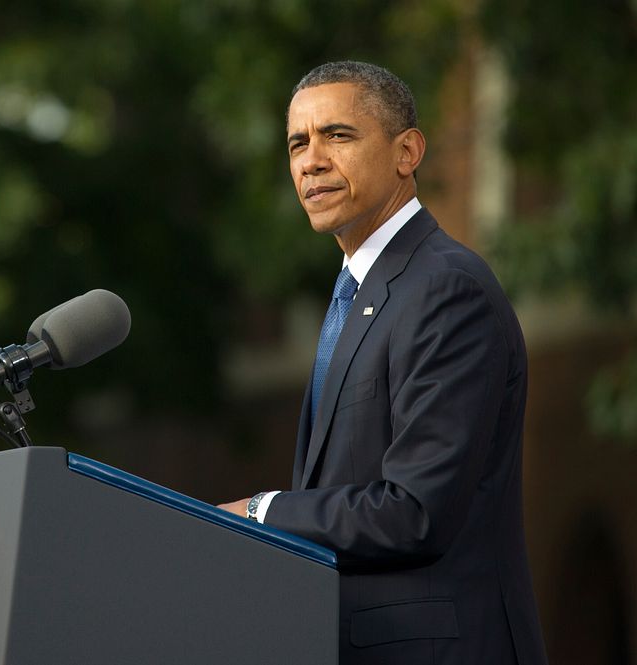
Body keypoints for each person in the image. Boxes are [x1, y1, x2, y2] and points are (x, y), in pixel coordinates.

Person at [218, 61, 548, 664]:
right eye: (298, 143)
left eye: (337, 136)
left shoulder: (446, 289)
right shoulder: (363, 291)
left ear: (407, 151)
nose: (310, 161)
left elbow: (415, 510)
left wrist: (263, 512)